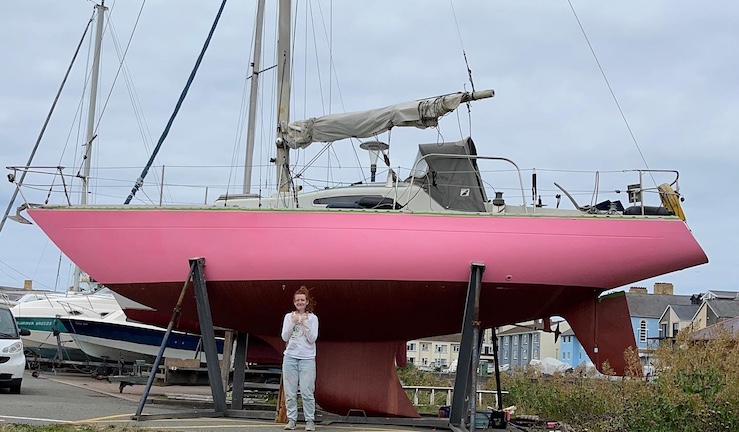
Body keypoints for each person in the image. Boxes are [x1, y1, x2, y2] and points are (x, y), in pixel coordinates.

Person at [281, 286, 319, 430]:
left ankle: (310, 420)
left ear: (307, 301)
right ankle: (292, 419)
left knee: (307, 391)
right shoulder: (288, 317)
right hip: (290, 357)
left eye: (303, 300)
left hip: (307, 358)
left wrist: (305, 323)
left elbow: (312, 339)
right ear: (294, 302)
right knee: (290, 391)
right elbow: (285, 336)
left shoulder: (313, 319)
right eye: (297, 300)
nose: (300, 302)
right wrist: (293, 322)